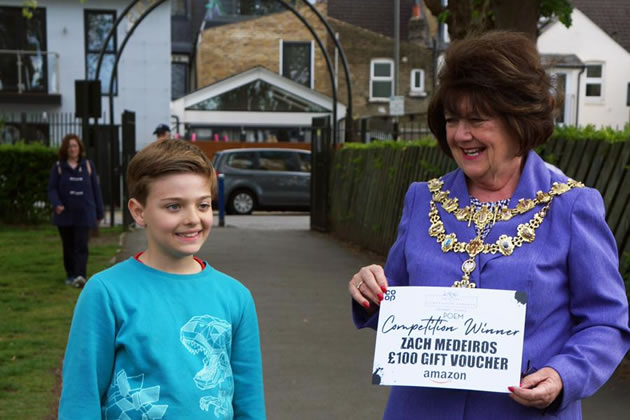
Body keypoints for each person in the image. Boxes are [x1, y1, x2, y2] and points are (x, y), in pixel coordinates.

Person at [348, 31, 630, 419]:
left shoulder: (572, 206)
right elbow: (395, 308)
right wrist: (370, 290)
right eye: (452, 120)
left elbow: (607, 323)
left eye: (477, 120)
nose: (461, 135)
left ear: (519, 122)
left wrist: (563, 375)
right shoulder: (421, 199)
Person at [58, 139, 266, 419]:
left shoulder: (236, 297)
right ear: (139, 211)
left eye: (203, 205)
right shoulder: (105, 293)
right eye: (173, 207)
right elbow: (80, 400)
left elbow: (249, 403)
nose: (193, 218)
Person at [48, 133, 104, 287]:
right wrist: (57, 203)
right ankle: (70, 274)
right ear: (65, 149)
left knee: (81, 245)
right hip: (65, 215)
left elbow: (95, 190)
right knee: (68, 246)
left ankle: (80, 275)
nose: (72, 149)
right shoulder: (59, 167)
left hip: (84, 213)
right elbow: (52, 189)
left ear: (79, 148)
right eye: (69, 146)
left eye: (75, 146)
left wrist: (99, 212)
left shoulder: (88, 165)